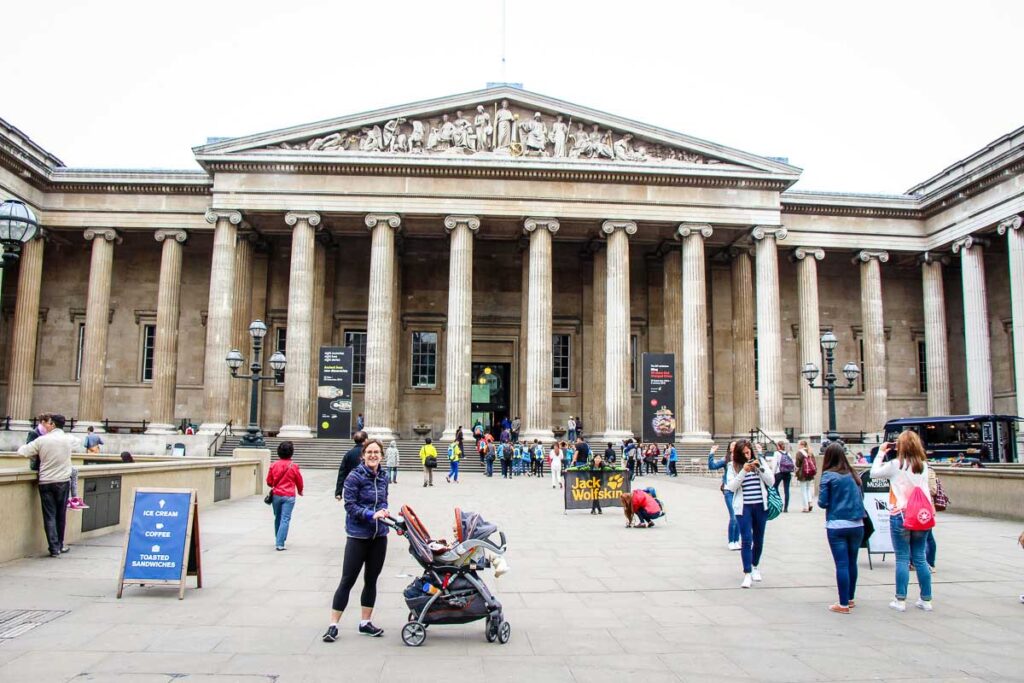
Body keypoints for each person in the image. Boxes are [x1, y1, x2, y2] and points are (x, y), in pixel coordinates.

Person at [323, 439, 390, 642]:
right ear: (363, 455)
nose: (372, 455)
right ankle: (333, 625)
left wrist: (385, 510)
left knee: (371, 580)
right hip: (358, 535)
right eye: (369, 452)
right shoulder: (354, 476)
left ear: (381, 455)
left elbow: (384, 498)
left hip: (379, 535)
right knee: (348, 580)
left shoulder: (384, 476)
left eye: (376, 452)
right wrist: (371, 515)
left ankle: (365, 622)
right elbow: (350, 506)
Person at [870, 431, 934, 612]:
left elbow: (874, 473)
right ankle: (926, 599)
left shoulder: (895, 465)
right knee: (920, 558)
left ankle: (900, 600)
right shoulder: (923, 465)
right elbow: (926, 492)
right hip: (921, 515)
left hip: (901, 515)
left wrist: (881, 452)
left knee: (902, 558)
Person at [818, 442, 866, 614]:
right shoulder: (854, 474)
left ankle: (843, 604)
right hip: (857, 524)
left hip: (837, 524)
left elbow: (822, 503)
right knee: (852, 562)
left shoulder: (828, 476)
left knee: (842, 564)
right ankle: (850, 599)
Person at [18, 414, 75, 557]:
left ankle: (53, 548)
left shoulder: (42, 440)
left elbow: (22, 451)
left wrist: (36, 456)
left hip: (45, 481)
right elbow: (79, 443)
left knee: (49, 515)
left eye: (48, 423)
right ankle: (60, 545)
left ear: (53, 424)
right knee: (61, 515)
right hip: (62, 481)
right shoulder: (69, 439)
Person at [726, 440, 775, 588]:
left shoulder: (760, 461)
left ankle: (754, 566)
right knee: (746, 540)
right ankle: (747, 573)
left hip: (760, 506)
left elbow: (771, 481)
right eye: (744, 453)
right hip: (744, 508)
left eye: (749, 452)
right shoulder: (732, 466)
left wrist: (760, 468)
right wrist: (743, 471)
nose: (747, 455)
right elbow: (731, 487)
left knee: (758, 540)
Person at [267, 441, 304, 551]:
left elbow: (269, 482)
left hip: (277, 495)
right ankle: (280, 542)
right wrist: (300, 490)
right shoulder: (294, 466)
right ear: (291, 453)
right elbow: (299, 481)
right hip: (289, 495)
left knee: (277, 517)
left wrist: (274, 484)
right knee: (285, 519)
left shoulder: (273, 465)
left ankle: (278, 538)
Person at [709, 443, 741, 550]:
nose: (734, 446)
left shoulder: (741, 459)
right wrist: (712, 453)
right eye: (732, 445)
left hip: (740, 491)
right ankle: (731, 541)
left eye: (736, 445)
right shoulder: (726, 459)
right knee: (734, 516)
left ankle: (736, 540)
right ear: (729, 448)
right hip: (729, 490)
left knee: (739, 516)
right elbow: (712, 466)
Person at [336, 431, 368, 498]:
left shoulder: (348, 454)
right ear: (366, 440)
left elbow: (342, 473)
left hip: (351, 486)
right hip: (366, 487)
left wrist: (338, 492)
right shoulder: (368, 454)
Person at [795, 439, 817, 513]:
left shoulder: (799, 453)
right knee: (808, 488)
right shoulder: (810, 452)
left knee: (803, 490)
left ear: (801, 445)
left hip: (803, 473)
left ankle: (805, 507)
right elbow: (814, 462)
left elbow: (797, 464)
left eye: (799, 444)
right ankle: (810, 502)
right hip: (810, 473)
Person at [773, 440, 795, 512]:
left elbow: (774, 465)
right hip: (787, 473)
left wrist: (773, 474)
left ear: (778, 446)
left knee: (775, 487)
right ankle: (786, 508)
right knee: (787, 490)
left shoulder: (776, 453)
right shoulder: (788, 454)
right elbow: (792, 463)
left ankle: (780, 502)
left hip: (779, 472)